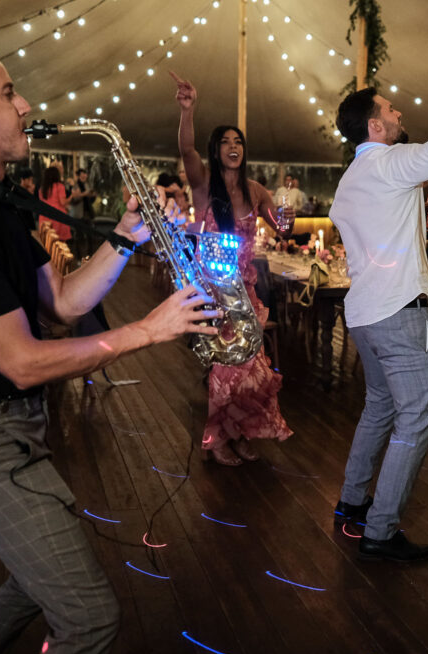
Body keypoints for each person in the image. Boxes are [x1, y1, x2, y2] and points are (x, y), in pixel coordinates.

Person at [0, 35, 220, 654]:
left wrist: (127, 237)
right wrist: (146, 332)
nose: (26, 103)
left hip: (11, 428)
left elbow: (65, 299)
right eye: (8, 92)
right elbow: (21, 361)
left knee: (31, 582)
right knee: (91, 614)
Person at [328, 52, 428, 563]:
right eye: (391, 111)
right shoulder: (389, 164)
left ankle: (351, 503)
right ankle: (381, 531)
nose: (399, 115)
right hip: (398, 313)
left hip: (364, 314)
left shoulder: (350, 181)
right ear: (374, 125)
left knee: (380, 407)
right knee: (416, 415)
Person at [171, 70, 292, 466]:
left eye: (238, 141)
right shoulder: (205, 185)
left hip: (248, 292)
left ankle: (239, 432)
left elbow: (283, 228)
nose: (233, 146)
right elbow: (187, 150)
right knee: (225, 371)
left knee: (250, 371)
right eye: (225, 142)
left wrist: (288, 214)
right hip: (217, 294)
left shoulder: (256, 190)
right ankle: (216, 437)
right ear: (217, 150)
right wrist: (188, 110)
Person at [38, 164, 70, 241]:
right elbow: (63, 202)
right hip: (58, 216)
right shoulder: (59, 186)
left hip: (44, 216)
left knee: (47, 243)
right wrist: (72, 196)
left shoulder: (42, 188)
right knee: (59, 246)